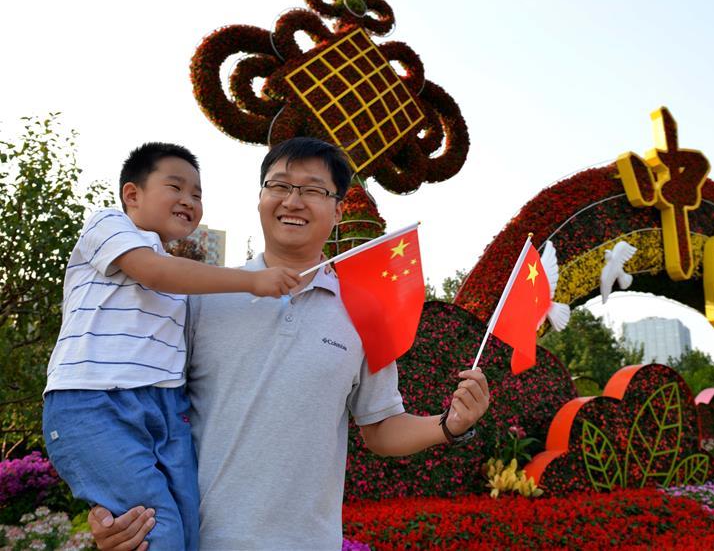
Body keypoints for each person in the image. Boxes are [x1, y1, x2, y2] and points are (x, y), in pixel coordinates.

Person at [88, 137, 491, 550]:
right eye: (279, 186)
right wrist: (112, 502)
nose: (293, 201)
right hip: (200, 540)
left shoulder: (365, 312)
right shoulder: (201, 299)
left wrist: (449, 426)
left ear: (337, 210)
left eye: (313, 190)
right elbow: (135, 406)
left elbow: (381, 429)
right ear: (260, 198)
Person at [43, 143, 303, 550]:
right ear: (132, 195)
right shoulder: (110, 226)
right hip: (94, 402)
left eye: (197, 194)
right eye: (176, 187)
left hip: (165, 408)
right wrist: (253, 281)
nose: (189, 200)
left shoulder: (182, 284)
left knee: (188, 522)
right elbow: (154, 272)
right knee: (154, 528)